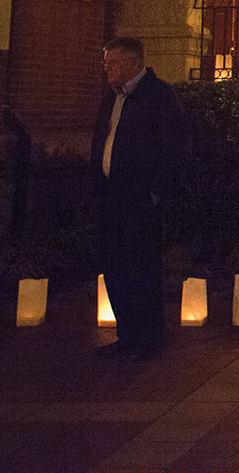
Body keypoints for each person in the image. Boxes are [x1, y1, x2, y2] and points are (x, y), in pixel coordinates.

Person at [91, 37, 189, 360]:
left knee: (142, 267)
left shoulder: (158, 96)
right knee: (115, 265)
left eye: (113, 63)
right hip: (111, 197)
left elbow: (173, 147)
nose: (107, 69)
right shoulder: (112, 98)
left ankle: (148, 337)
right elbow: (104, 139)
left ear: (134, 63)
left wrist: (156, 191)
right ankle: (127, 334)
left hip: (140, 199)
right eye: (105, 63)